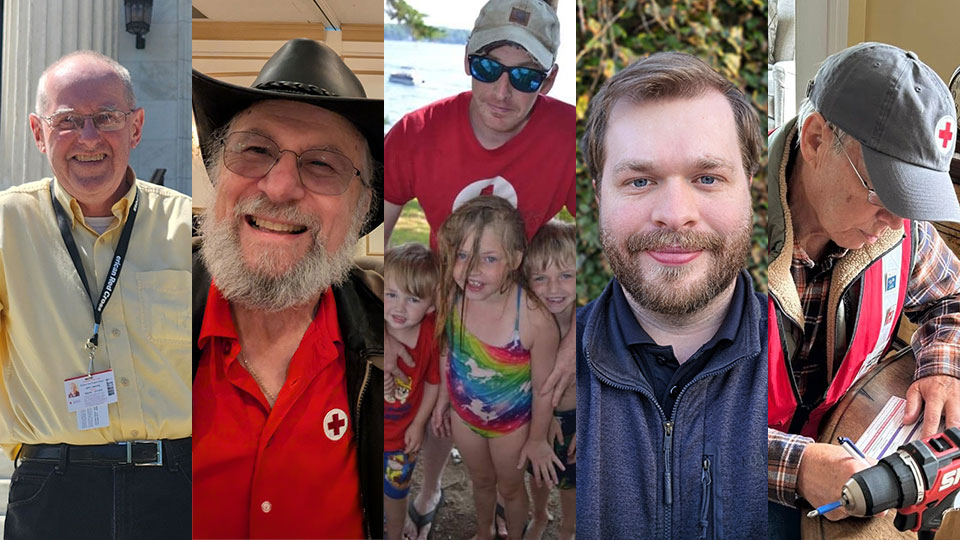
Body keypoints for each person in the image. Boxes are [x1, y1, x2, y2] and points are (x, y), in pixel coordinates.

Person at [384, 2, 575, 535]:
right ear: (467, 58)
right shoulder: (416, 131)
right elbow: (367, 236)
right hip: (448, 298)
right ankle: (430, 489)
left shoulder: (571, 136)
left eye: (526, 77)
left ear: (549, 79)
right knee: (441, 403)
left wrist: (574, 340)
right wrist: (382, 325)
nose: (502, 91)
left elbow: (614, 242)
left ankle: (524, 510)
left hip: (517, 311)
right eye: (488, 67)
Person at [191, 39, 384, 539]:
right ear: (217, 172)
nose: (279, 188)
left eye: (322, 165)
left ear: (362, 207)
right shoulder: (138, 312)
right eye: (255, 151)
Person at [767, 42, 960, 536]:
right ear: (815, 140)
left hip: (849, 449)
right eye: (884, 190)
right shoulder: (707, 232)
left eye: (911, 197)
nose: (897, 221)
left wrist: (943, 366)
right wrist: (798, 467)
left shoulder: (900, 227)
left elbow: (953, 297)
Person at [0, 50, 192, 539]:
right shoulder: (6, 226)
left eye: (107, 117)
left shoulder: (190, 229)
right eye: (67, 121)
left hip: (178, 488)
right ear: (38, 132)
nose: (89, 137)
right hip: (53, 490)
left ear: (136, 127)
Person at [577, 51, 767, 538]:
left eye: (707, 178)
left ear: (749, 187)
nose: (675, 213)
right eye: (639, 181)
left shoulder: (809, 359)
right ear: (599, 195)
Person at [431, 195, 561, 540]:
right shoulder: (454, 298)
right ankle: (484, 531)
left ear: (515, 259)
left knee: (511, 488)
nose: (472, 269)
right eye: (463, 256)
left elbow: (544, 388)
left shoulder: (533, 319)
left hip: (512, 428)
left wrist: (537, 439)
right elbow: (448, 349)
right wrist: (443, 397)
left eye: (488, 258)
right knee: (481, 481)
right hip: (464, 418)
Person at [383, 243, 441, 540]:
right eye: (391, 294)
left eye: (413, 298)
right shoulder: (365, 321)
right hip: (364, 435)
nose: (399, 307)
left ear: (430, 305)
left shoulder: (430, 334)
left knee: (396, 495)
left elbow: (433, 382)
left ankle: (395, 530)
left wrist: (419, 424)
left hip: (401, 440)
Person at [523, 220, 576, 540]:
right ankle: (540, 514)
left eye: (566, 276)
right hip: (538, 416)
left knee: (572, 484)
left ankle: (568, 529)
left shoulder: (591, 319)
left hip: (580, 419)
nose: (554, 289)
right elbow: (525, 378)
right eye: (540, 278)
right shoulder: (531, 322)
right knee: (538, 474)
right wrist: (543, 421)